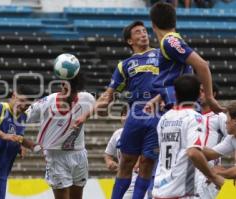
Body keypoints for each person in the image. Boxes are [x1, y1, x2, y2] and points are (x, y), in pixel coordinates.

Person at [74, 21, 160, 199]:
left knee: (147, 163)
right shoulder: (125, 65)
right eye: (138, 32)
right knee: (126, 163)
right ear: (130, 41)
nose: (143, 34)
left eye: (144, 31)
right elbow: (108, 95)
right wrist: (85, 115)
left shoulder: (162, 56)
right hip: (135, 114)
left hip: (158, 114)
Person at [152, 75, 224, 199]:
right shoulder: (194, 118)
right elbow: (193, 152)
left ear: (175, 94)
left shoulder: (164, 118)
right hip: (181, 192)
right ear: (197, 95)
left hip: (159, 190)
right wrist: (213, 176)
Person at [26, 73, 95, 199]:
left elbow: (100, 106)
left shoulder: (87, 99)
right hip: (56, 156)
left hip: (79, 153)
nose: (74, 95)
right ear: (63, 85)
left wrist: (86, 115)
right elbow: (23, 117)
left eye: (76, 91)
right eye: (71, 91)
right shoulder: (47, 103)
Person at [148, 2, 224, 113]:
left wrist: (210, 98)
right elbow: (174, 77)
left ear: (153, 24)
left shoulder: (169, 42)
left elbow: (202, 65)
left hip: (179, 106)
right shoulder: (173, 41)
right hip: (173, 103)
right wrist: (158, 98)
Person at [195, 83, 228, 199]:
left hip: (208, 176)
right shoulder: (192, 116)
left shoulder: (220, 117)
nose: (200, 94)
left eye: (203, 91)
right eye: (198, 91)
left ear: (213, 94)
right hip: (189, 175)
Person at [202, 101, 236, 179]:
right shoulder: (231, 138)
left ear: (235, 121)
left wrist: (219, 172)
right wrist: (193, 145)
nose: (226, 121)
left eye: (228, 118)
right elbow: (210, 154)